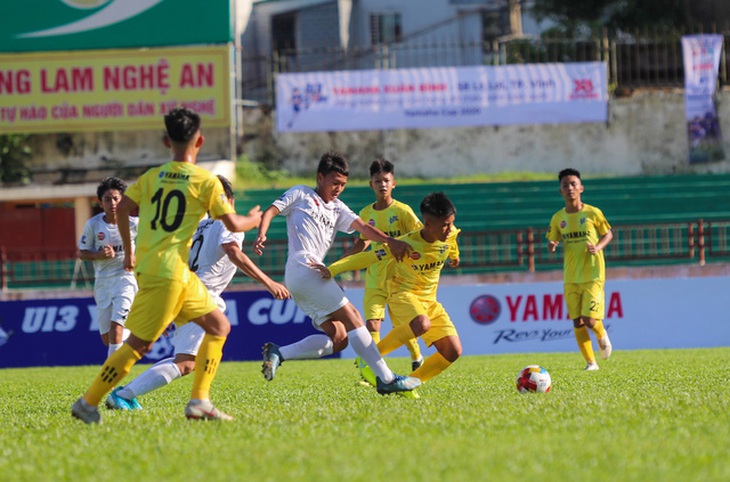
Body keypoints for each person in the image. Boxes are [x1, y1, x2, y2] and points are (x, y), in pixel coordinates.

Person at [71, 107, 262, 424]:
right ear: (199, 141)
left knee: (219, 327)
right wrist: (253, 219)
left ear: (165, 141)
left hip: (168, 271)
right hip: (169, 273)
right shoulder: (204, 180)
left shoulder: (150, 177)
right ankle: (88, 402)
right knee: (137, 345)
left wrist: (130, 252)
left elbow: (124, 211)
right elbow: (233, 223)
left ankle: (200, 401)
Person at [105, 175, 290, 410]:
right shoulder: (228, 224)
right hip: (200, 296)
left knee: (191, 356)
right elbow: (232, 252)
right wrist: (268, 282)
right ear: (229, 200)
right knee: (186, 363)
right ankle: (126, 394)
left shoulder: (200, 225)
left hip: (187, 292)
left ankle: (132, 393)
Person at [254, 150, 420, 395]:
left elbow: (363, 228)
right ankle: (385, 378)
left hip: (307, 276)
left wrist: (389, 241)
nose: (339, 188)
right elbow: (270, 211)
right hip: (303, 267)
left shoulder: (338, 208)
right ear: (320, 177)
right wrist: (262, 233)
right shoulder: (301, 193)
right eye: (335, 183)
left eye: (343, 184)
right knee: (353, 316)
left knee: (340, 337)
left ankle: (279, 352)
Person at [311, 192, 463, 394]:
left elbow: (451, 245)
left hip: (430, 301)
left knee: (453, 351)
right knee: (421, 324)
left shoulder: (450, 234)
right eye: (444, 225)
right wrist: (332, 269)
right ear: (428, 223)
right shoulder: (405, 244)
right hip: (403, 294)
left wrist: (455, 256)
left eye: (451, 223)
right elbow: (367, 258)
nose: (449, 229)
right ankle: (371, 356)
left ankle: (407, 385)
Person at [344, 158, 459, 372]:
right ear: (371, 185)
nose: (382, 185)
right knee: (373, 324)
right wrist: (345, 262)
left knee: (405, 326)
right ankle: (372, 370)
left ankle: (416, 357)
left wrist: (448, 254)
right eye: (377, 181)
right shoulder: (366, 214)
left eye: (386, 180)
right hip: (377, 276)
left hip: (401, 279)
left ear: (393, 183)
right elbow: (363, 241)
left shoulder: (403, 211)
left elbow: (423, 238)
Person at [546, 168, 614, 371]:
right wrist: (551, 245)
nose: (570, 188)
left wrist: (598, 247)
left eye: (573, 184)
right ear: (560, 191)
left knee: (590, 320)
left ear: (581, 188)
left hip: (593, 273)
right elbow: (552, 239)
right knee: (577, 321)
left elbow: (608, 233)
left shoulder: (593, 212)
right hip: (571, 276)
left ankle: (602, 334)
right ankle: (591, 363)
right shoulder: (558, 218)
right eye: (565, 185)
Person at [78, 177, 138, 358]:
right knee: (108, 338)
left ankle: (111, 380)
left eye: (116, 198)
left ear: (123, 200)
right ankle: (140, 336)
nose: (112, 203)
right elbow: (82, 253)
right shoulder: (94, 225)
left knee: (116, 329)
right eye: (107, 199)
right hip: (103, 282)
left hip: (125, 280)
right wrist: (98, 255)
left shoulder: (135, 224)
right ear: (100, 202)